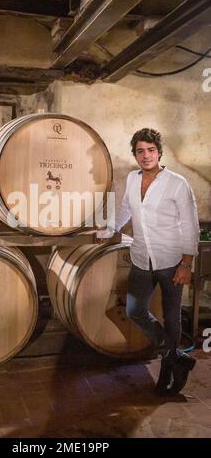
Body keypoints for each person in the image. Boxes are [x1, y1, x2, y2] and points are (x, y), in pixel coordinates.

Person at [97, 128, 199, 396]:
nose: (146, 155)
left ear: (159, 152)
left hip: (171, 260)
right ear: (135, 154)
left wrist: (186, 264)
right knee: (135, 310)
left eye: (150, 150)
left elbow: (191, 225)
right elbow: (126, 210)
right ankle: (177, 357)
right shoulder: (132, 179)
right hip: (142, 257)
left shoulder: (177, 183)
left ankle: (167, 370)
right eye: (140, 151)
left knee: (172, 317)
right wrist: (110, 230)